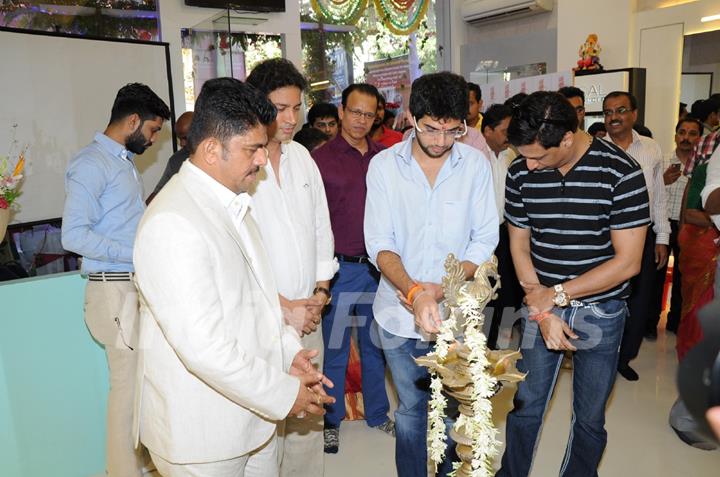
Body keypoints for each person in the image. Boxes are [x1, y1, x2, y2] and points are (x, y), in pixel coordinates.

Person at [132, 77, 335, 476]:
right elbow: (204, 348)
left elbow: (259, 300)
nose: (263, 159)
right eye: (253, 149)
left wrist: (288, 352)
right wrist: (283, 392)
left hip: (252, 419)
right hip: (203, 435)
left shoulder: (234, 202)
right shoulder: (173, 222)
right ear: (211, 149)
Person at [497, 91, 649, 477]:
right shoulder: (520, 173)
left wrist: (559, 294)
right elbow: (518, 243)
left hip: (602, 310)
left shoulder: (621, 172)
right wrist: (543, 305)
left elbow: (628, 262)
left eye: (537, 156)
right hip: (540, 303)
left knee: (589, 416)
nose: (528, 166)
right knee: (526, 403)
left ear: (567, 138)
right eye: (523, 155)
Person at [365, 71, 499, 477]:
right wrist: (415, 292)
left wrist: (443, 287)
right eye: (431, 129)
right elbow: (380, 242)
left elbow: (484, 236)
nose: (441, 140)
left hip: (455, 314)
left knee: (451, 408)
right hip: (396, 312)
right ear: (410, 116)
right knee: (411, 409)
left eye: (453, 130)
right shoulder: (384, 166)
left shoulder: (475, 165)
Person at [61, 82, 171, 477]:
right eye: (154, 130)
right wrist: (137, 253)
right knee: (126, 390)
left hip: (128, 286)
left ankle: (138, 467)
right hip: (111, 289)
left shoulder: (121, 161)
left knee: (137, 386)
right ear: (133, 120)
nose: (155, 139)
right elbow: (72, 235)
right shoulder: (92, 163)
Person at [246, 58, 338, 477]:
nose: (290, 117)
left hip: (309, 315)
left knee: (308, 416)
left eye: (296, 107)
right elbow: (240, 254)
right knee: (269, 421)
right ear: (258, 106)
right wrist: (284, 305)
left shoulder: (303, 156)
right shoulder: (243, 162)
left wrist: (320, 294)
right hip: (264, 317)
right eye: (280, 108)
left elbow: (321, 225)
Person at [312, 83, 393, 453]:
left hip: (379, 270)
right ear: (341, 112)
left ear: (377, 115)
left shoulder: (386, 158)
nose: (361, 120)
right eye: (354, 112)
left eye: (368, 113)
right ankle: (330, 420)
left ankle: (378, 413)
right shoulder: (321, 159)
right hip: (340, 270)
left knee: (378, 345)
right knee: (335, 348)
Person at [604, 91, 669, 380]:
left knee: (639, 301)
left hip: (643, 235)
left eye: (620, 110)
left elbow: (659, 198)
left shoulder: (652, 149)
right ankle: (601, 355)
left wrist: (663, 237)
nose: (614, 117)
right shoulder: (595, 150)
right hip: (604, 239)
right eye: (608, 112)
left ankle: (624, 357)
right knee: (605, 299)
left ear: (634, 114)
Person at [480, 103, 523, 349]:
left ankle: (495, 345)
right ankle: (480, 347)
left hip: (505, 234)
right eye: (505, 130)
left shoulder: (510, 156)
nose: (510, 135)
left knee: (504, 292)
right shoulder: (475, 156)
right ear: (487, 131)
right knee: (483, 294)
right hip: (481, 237)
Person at [659, 118, 703, 334]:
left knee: (683, 275)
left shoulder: (702, 167)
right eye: (682, 132)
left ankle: (676, 322)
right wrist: (662, 181)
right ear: (675, 135)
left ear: (699, 138)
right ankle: (650, 322)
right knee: (656, 275)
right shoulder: (663, 159)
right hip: (662, 224)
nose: (686, 138)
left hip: (690, 226)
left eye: (692, 134)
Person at [151, 111, 193, 196]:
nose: (182, 144)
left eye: (185, 138)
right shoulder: (176, 160)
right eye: (179, 139)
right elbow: (159, 193)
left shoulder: (221, 156)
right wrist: (145, 209)